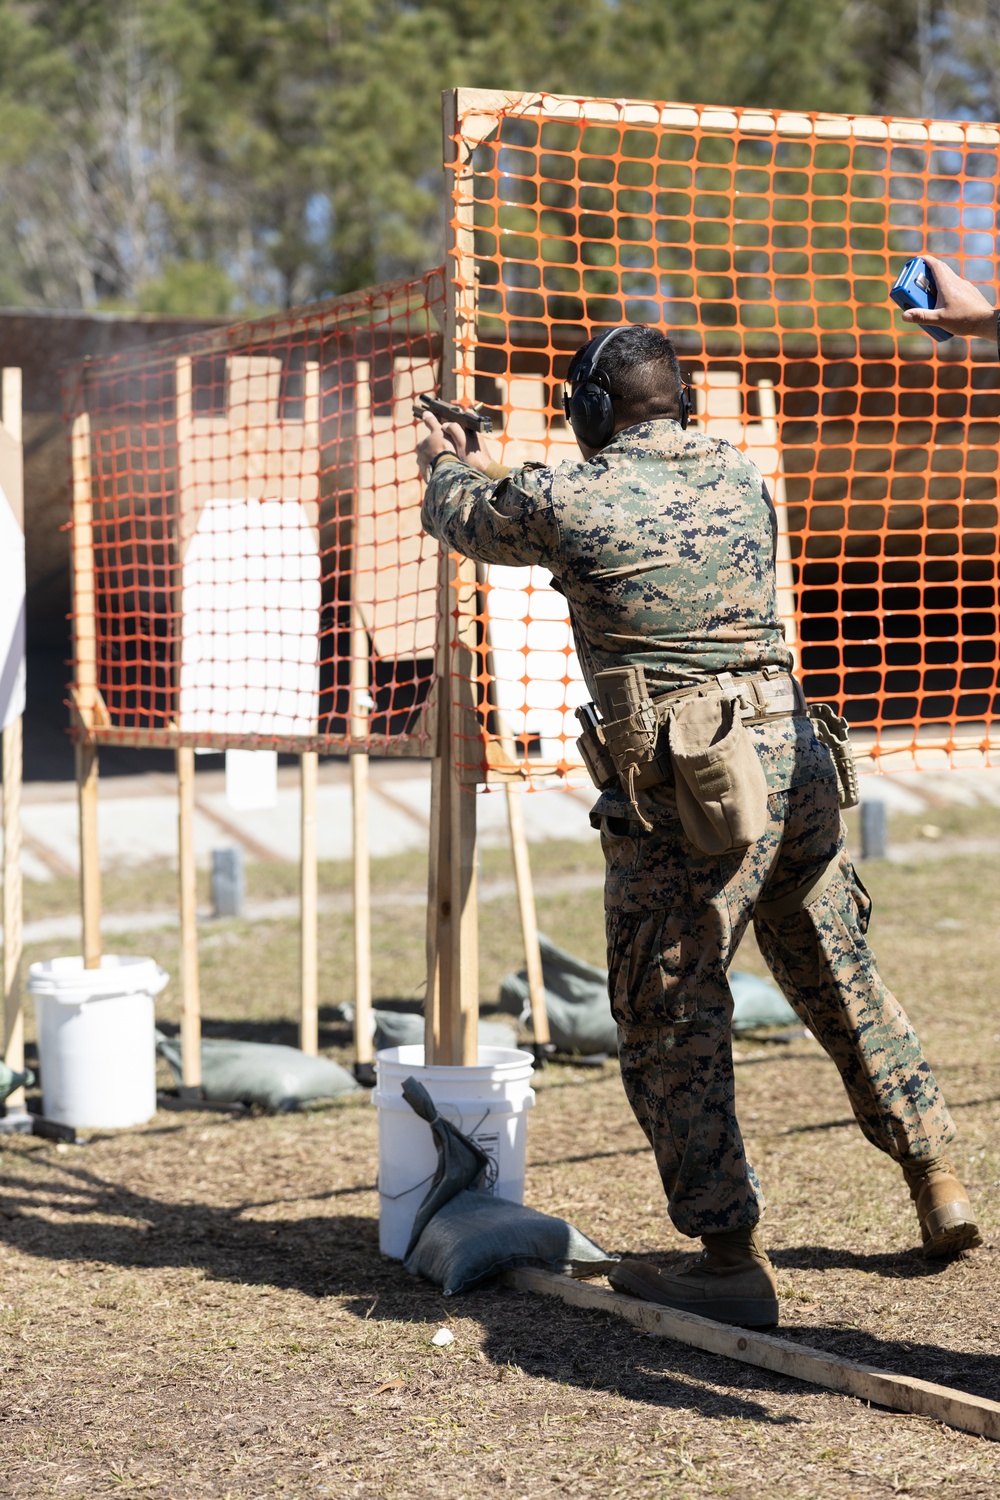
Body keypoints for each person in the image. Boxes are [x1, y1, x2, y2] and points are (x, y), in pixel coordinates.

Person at [415, 326, 980, 1329]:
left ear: (593, 414)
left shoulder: (566, 497)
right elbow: (598, 506)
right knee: (837, 972)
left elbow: (471, 519)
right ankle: (937, 1175)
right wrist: (507, 462)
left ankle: (726, 1257)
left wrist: (450, 463)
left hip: (695, 788)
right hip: (798, 757)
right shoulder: (736, 475)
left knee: (669, 1010)